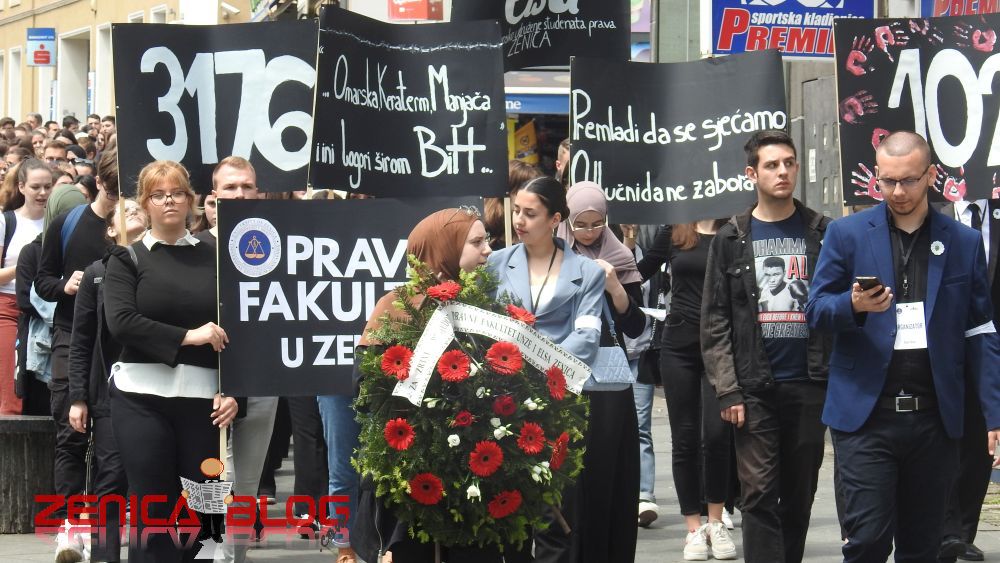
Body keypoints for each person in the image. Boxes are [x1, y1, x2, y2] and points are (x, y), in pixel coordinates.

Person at [806, 130, 1000, 562]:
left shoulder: (963, 242)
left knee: (923, 546)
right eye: (888, 180)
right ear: (877, 176)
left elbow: (980, 329)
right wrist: (853, 305)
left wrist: (993, 410)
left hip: (934, 419)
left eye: (909, 180)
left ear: (930, 175)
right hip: (865, 416)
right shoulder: (846, 233)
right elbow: (815, 310)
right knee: (868, 539)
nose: (897, 191)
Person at [701, 129, 832, 563]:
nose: (782, 172)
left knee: (799, 492)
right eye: (772, 165)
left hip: (810, 381)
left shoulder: (822, 232)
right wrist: (728, 389)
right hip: (754, 385)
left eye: (788, 163)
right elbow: (715, 318)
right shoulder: (732, 237)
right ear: (752, 174)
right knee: (757, 492)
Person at [103, 160, 238, 561]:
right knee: (153, 507)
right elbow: (122, 322)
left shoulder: (217, 257)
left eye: (177, 193)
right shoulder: (126, 258)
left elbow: (240, 326)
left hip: (204, 402)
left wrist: (236, 391)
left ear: (191, 199)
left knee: (202, 508)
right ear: (144, 203)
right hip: (139, 398)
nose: (169, 201)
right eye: (158, 195)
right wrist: (188, 336)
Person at [487, 177, 605, 563]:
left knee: (556, 515)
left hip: (559, 405)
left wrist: (535, 372)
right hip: (504, 405)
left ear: (555, 219)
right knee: (510, 513)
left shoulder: (587, 272)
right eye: (517, 211)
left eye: (530, 213)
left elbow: (586, 340)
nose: (519, 220)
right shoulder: (495, 264)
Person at [193, 156, 279, 563]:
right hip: (210, 386)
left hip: (260, 383)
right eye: (230, 187)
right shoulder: (194, 249)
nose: (240, 194)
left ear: (258, 192)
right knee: (213, 485)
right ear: (214, 195)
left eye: (247, 186)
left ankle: (234, 558)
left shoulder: (279, 245)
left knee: (244, 490)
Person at [554, 181, 645, 563]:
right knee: (573, 482)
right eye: (581, 224)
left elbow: (636, 325)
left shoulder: (619, 256)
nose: (589, 232)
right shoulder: (552, 257)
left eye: (597, 224)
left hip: (609, 388)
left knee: (611, 476)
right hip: (564, 379)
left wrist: (614, 287)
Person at [637, 218, 736, 559]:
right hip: (678, 346)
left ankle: (716, 520)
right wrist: (620, 248)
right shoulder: (674, 231)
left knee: (717, 435)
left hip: (720, 345)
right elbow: (638, 273)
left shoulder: (734, 232)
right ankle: (693, 528)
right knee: (685, 438)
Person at [34, 148, 119, 531]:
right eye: (113, 192)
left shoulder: (136, 225)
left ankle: (105, 524)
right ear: (97, 183)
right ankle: (69, 524)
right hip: (71, 334)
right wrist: (65, 285)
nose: (118, 202)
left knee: (113, 441)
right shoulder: (68, 224)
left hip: (120, 342)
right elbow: (42, 280)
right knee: (71, 433)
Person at [66, 198, 148, 562]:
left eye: (137, 209)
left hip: (154, 389)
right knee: (111, 477)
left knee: (150, 481)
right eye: (123, 211)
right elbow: (81, 340)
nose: (132, 212)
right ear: (111, 229)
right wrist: (78, 396)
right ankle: (104, 556)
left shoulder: (163, 267)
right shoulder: (95, 274)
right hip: (108, 392)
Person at [938, 195, 1000, 561]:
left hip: (990, 352)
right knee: (943, 443)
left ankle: (963, 533)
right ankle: (944, 531)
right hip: (944, 349)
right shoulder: (937, 218)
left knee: (981, 447)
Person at [0, 159, 52, 415]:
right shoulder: (6, 221)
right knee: (10, 381)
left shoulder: (55, 222)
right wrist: (24, 264)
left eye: (47, 187)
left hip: (45, 310)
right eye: (35, 187)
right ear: (21, 187)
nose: (42, 193)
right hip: (8, 307)